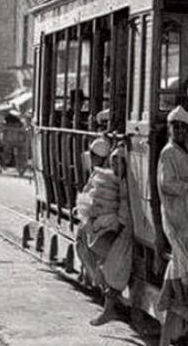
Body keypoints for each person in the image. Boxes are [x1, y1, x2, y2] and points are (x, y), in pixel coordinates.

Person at [75, 137, 134, 326]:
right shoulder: (113, 179)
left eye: (120, 162)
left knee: (113, 263)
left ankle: (109, 307)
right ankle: (106, 298)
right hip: (114, 227)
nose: (116, 165)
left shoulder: (123, 183)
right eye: (114, 161)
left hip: (124, 231)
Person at [156, 106, 188, 346]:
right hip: (174, 215)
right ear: (170, 128)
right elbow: (167, 185)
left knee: (183, 264)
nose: (180, 130)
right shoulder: (168, 153)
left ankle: (176, 324)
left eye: (184, 127)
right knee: (180, 264)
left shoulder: (187, 151)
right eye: (176, 127)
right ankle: (174, 321)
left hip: (187, 215)